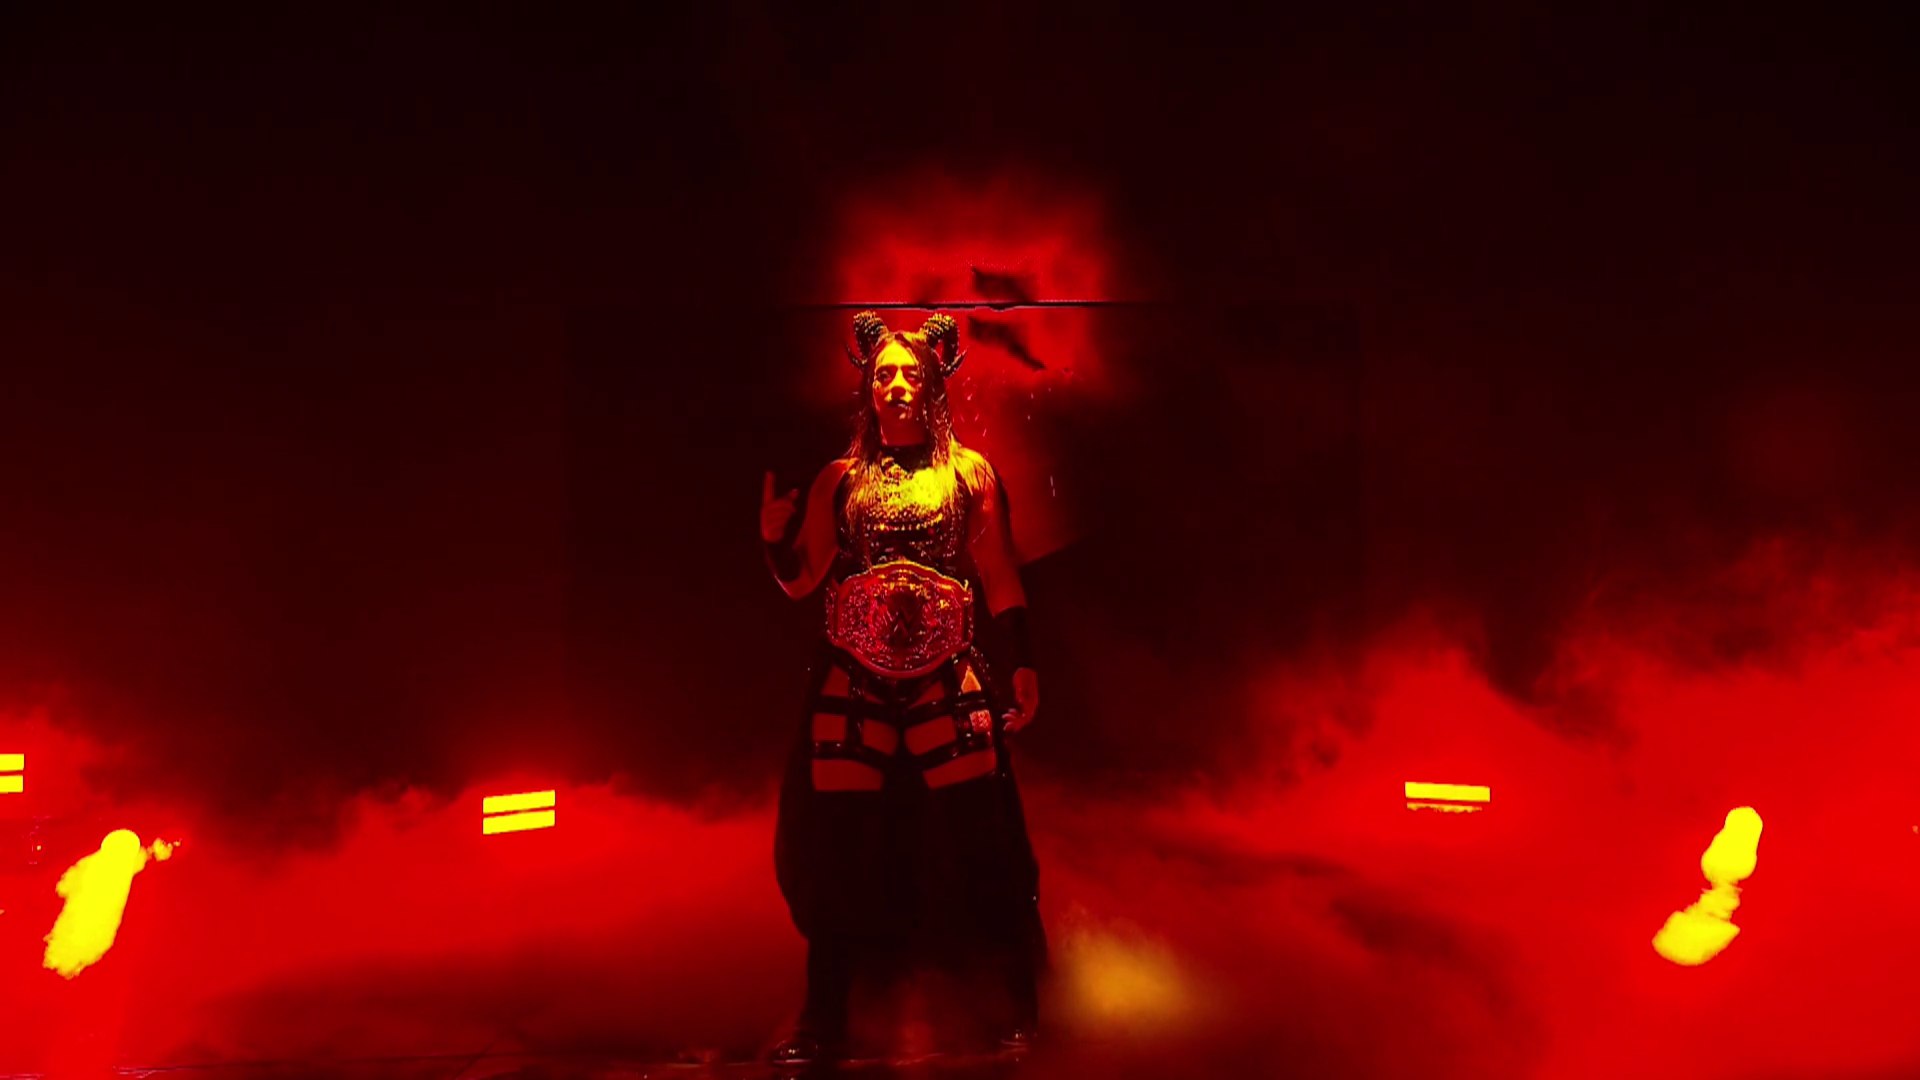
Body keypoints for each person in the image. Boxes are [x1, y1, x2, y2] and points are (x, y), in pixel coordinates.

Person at [760, 311, 1046, 1068]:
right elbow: (802, 583)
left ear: (933, 385)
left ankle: (1018, 1004)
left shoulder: (969, 474)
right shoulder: (840, 480)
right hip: (852, 679)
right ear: (867, 385)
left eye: (911, 373)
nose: (896, 384)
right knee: (838, 853)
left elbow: (1000, 574)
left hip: (948, 674)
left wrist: (1022, 661)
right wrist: (773, 541)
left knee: (982, 846)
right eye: (884, 372)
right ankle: (823, 1017)